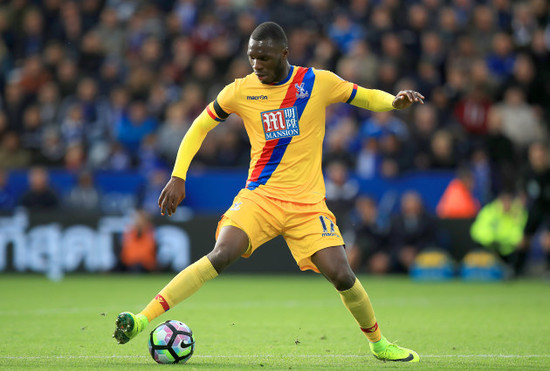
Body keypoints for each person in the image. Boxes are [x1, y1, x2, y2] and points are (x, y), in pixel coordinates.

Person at [113, 22, 424, 363]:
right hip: (259, 198)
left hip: (307, 205)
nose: (257, 65)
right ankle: (141, 319)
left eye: (264, 57)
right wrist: (178, 175)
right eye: (252, 58)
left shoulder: (316, 82)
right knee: (221, 253)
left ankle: (379, 344)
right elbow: (199, 126)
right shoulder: (240, 91)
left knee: (342, 275)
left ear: (284, 54)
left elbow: (364, 96)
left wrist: (394, 102)